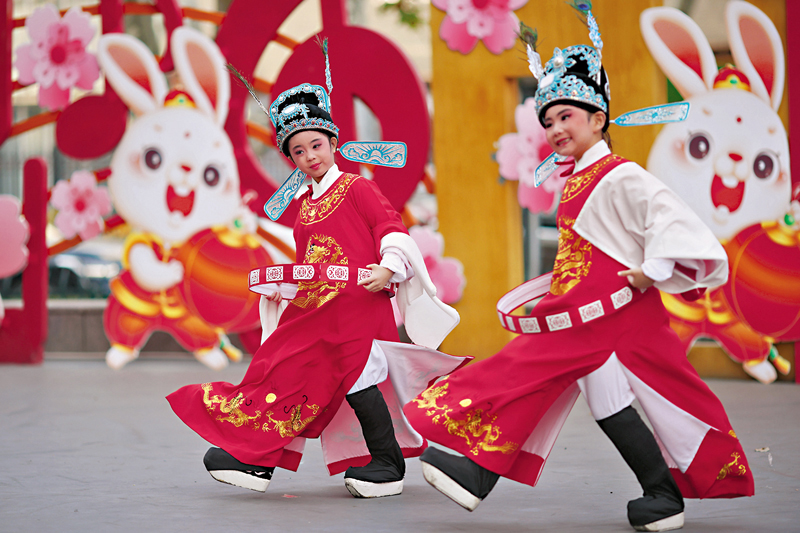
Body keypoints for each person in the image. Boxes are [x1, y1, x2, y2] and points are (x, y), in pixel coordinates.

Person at [403, 10, 754, 532]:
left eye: (567, 115)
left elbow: (672, 220)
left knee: (520, 367)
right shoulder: (578, 181)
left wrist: (650, 270)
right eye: (548, 120)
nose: (555, 128)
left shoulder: (619, 175)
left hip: (607, 312)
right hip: (582, 313)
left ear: (598, 117)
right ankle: (660, 494)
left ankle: (478, 472)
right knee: (602, 398)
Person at [167, 72, 466, 499]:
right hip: (316, 308)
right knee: (280, 365)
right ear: (291, 158)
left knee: (357, 375)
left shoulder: (356, 187)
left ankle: (387, 462)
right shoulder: (304, 208)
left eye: (316, 145)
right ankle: (257, 458)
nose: (310, 156)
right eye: (298, 151)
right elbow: (310, 266)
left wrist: (388, 267)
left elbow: (390, 227)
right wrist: (282, 290)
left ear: (331, 141)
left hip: (358, 304)